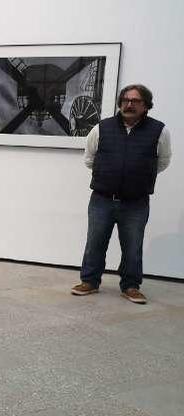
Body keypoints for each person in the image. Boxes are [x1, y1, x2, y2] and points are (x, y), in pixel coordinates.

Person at [71, 84, 172, 304]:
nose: (129, 104)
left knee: (133, 246)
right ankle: (89, 281)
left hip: (136, 202)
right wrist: (110, 175)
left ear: (146, 106)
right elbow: (90, 158)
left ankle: (131, 286)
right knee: (95, 242)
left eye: (135, 101)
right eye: (125, 99)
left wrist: (138, 177)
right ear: (120, 102)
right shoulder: (101, 128)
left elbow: (162, 161)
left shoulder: (159, 131)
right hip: (102, 199)